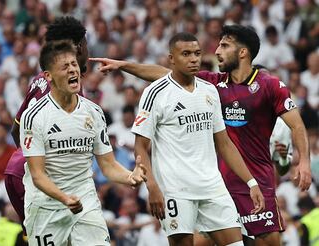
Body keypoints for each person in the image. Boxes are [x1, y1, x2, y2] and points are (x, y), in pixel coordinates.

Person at [90, 25, 312, 245]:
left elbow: (298, 126)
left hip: (255, 179)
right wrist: (124, 65)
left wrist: (303, 162)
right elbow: (165, 74)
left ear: (242, 52)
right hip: (217, 183)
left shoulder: (269, 85)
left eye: (224, 46)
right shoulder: (213, 84)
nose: (216, 51)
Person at [132, 32, 264, 246]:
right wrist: (152, 186)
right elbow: (140, 146)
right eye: (186, 54)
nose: (193, 59)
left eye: (197, 53)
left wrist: (251, 182)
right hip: (176, 189)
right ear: (171, 58)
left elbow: (224, 143)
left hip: (212, 186)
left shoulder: (209, 91)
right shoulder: (155, 93)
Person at [20, 40, 147, 245]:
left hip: (85, 202)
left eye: (74, 65)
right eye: (64, 66)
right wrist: (64, 198)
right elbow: (37, 175)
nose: (72, 70)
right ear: (48, 76)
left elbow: (108, 165)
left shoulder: (94, 112)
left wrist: (130, 176)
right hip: (46, 207)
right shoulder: (34, 116)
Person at [4, 16, 88, 231]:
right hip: (36, 178)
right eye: (86, 44)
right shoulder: (70, 87)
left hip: (16, 170)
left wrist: (29, 158)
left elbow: (16, 129)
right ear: (78, 47)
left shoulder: (41, 78)